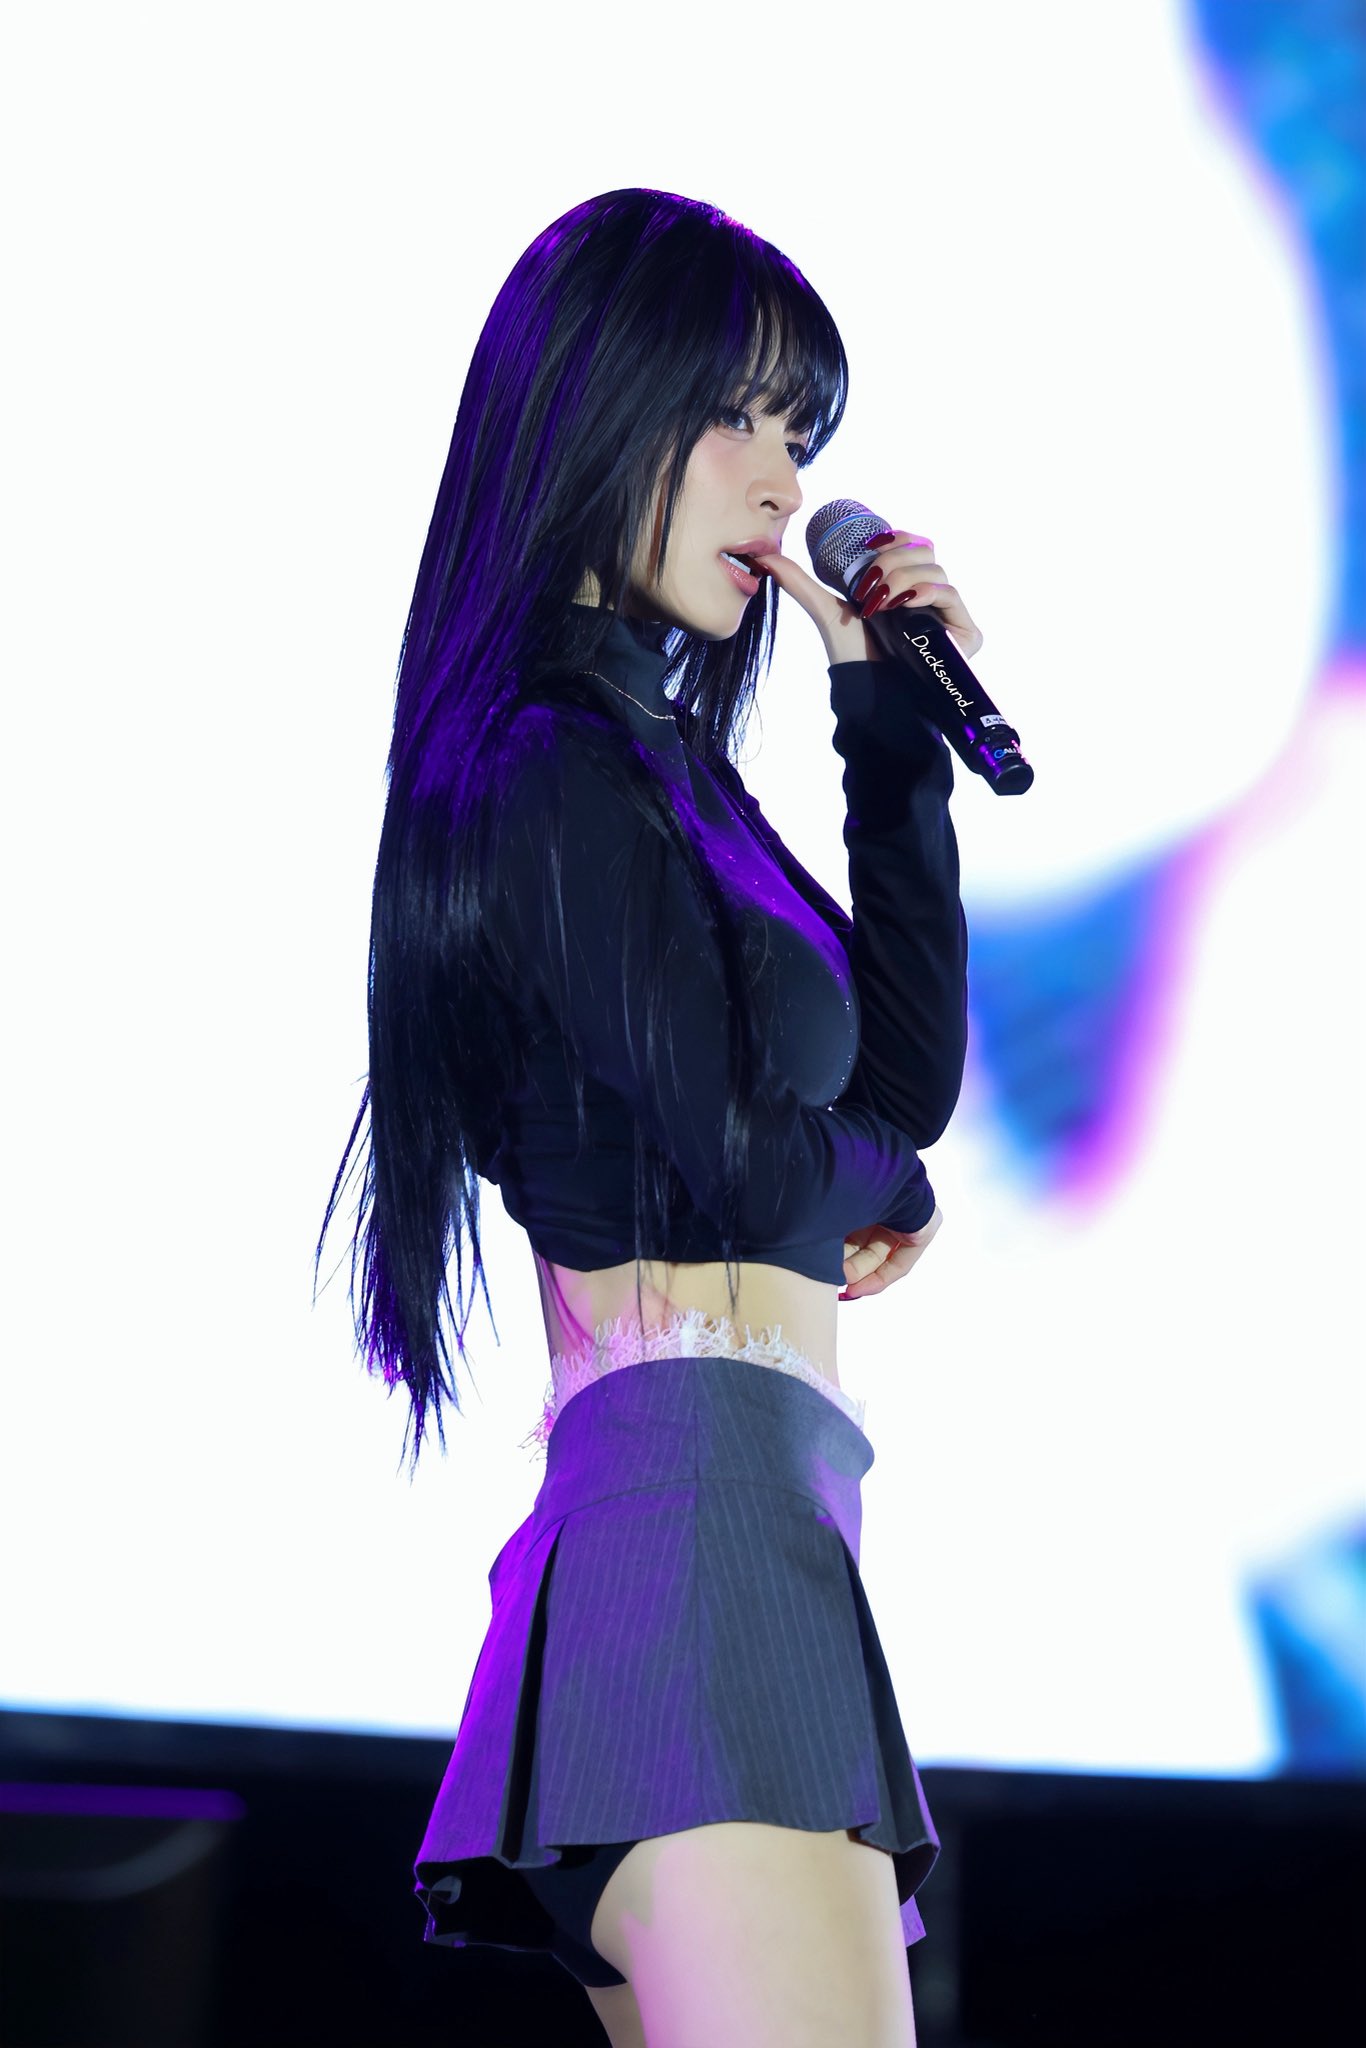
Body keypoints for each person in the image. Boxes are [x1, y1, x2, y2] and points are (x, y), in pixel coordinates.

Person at [316, 187, 978, 2048]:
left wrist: (887, 736)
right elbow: (750, 1162)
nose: (783, 481)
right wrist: (888, 1184)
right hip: (694, 1525)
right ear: (598, 406)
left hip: (754, 1512)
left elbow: (894, 1091)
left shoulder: (659, 764)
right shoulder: (544, 760)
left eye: (801, 433)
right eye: (736, 416)